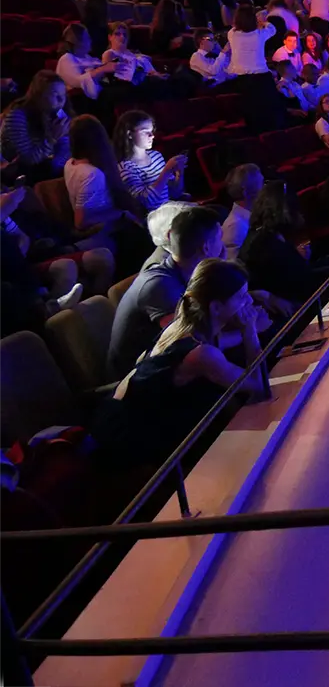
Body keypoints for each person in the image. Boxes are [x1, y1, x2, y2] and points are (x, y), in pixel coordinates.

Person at [93, 259, 267, 466]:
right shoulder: (202, 355)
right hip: (127, 436)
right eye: (241, 297)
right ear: (216, 307)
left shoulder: (183, 326)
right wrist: (249, 332)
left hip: (120, 413)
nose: (248, 301)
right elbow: (259, 387)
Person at [107, 205, 224, 376]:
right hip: (138, 379)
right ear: (206, 248)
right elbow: (188, 343)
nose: (223, 244)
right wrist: (246, 331)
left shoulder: (185, 268)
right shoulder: (160, 285)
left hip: (167, 363)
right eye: (219, 238)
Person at [0, 72, 71, 185]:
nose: (61, 99)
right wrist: (52, 138)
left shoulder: (55, 113)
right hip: (22, 176)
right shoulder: (18, 116)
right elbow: (28, 159)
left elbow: (65, 151)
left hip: (49, 170)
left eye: (63, 94)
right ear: (39, 95)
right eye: (54, 93)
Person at [114, 110, 189, 211]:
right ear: (129, 134)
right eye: (145, 132)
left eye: (152, 131)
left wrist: (179, 173)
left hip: (168, 210)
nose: (152, 136)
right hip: (152, 219)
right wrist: (166, 171)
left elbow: (175, 192)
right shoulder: (125, 167)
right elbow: (146, 202)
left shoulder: (156, 156)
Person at [227, 5, 286, 131]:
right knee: (269, 110)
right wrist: (262, 21)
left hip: (242, 80)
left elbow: (235, 28)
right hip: (261, 78)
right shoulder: (259, 34)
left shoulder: (232, 34)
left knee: (251, 112)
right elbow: (272, 28)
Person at [222, 164, 265, 260]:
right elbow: (236, 269)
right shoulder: (235, 227)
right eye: (261, 185)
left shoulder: (254, 216)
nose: (265, 190)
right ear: (246, 192)